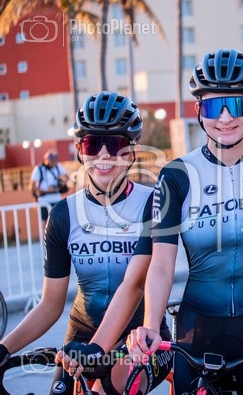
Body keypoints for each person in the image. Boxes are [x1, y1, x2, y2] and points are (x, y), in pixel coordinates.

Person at [127, 48, 243, 395]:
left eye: (236, 105)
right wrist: (150, 324)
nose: (225, 118)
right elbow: (162, 264)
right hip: (199, 325)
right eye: (213, 107)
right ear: (198, 110)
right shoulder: (177, 175)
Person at [0, 91, 173, 395]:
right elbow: (50, 304)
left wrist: (97, 349)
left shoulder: (152, 203)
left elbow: (134, 287)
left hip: (138, 337)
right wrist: (4, 348)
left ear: (131, 151)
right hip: (81, 337)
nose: (103, 155)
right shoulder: (63, 215)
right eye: (93, 144)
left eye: (115, 145)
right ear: (80, 150)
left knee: (114, 388)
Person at [29, 149, 69, 222]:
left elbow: (67, 176)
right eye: (52, 160)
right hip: (44, 200)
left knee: (58, 221)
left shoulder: (58, 166)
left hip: (56, 198)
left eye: (55, 160)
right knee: (45, 221)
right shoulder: (39, 169)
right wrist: (47, 191)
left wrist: (61, 183)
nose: (53, 163)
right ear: (46, 159)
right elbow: (32, 186)